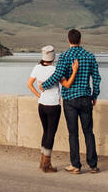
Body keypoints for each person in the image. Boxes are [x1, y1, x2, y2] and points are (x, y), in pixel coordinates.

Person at [41, 28, 102, 174]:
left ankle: (76, 165)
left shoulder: (65, 56)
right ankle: (93, 165)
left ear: (68, 40)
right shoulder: (89, 56)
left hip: (70, 99)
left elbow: (58, 75)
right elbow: (97, 78)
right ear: (80, 40)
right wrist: (95, 96)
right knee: (88, 132)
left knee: (73, 133)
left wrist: (44, 85)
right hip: (86, 98)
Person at [26, 44, 77, 173]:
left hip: (41, 105)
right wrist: (74, 71)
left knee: (45, 132)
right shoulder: (55, 70)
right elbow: (67, 84)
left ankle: (42, 161)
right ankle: (46, 164)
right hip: (53, 105)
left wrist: (39, 95)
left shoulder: (37, 68)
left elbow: (29, 84)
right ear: (53, 57)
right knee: (51, 134)